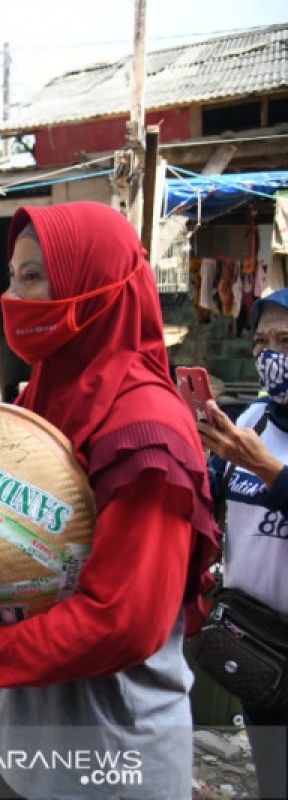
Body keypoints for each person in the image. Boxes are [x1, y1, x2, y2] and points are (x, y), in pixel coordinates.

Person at [0, 202, 220, 797]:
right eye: (11, 277)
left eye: (35, 277)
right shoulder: (42, 398)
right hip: (23, 739)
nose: (15, 296)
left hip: (107, 757)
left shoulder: (147, 435)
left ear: (94, 286)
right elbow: (24, 556)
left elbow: (121, 623)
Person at [196, 288, 288, 799]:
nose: (270, 354)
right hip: (257, 643)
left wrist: (269, 471)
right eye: (261, 342)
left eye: (285, 339)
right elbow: (208, 508)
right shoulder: (248, 424)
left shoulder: (252, 448)